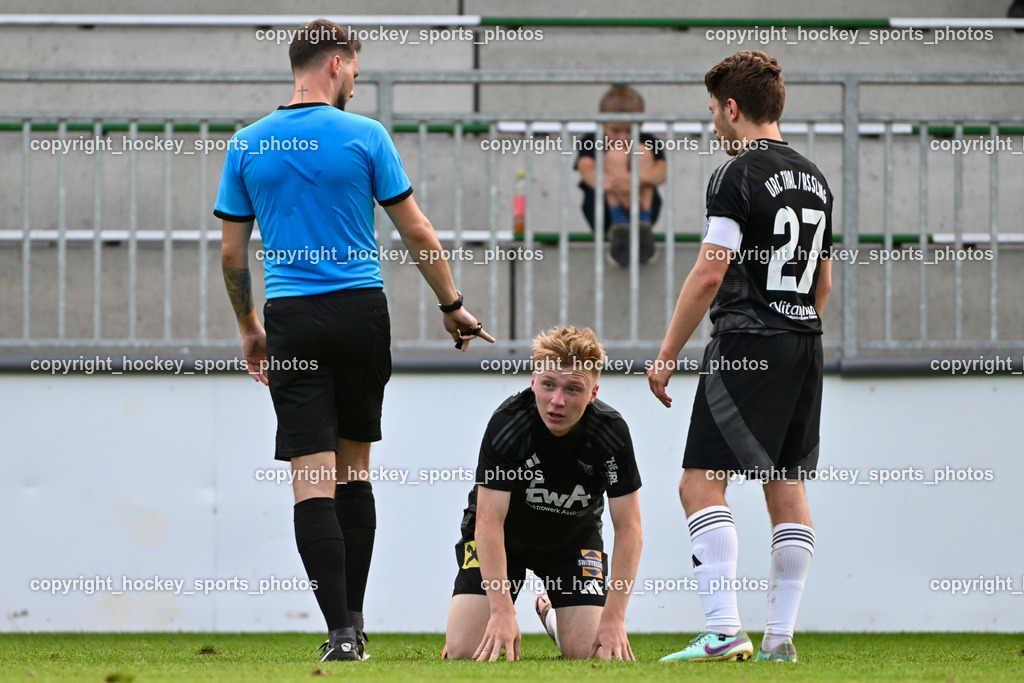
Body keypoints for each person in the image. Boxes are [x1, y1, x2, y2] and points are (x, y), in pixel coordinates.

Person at [214, 18, 493, 662]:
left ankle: (340, 632)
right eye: (355, 74)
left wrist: (249, 328)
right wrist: (452, 306)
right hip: (360, 313)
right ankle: (357, 621)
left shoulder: (247, 144)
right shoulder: (366, 136)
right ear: (337, 64)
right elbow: (418, 233)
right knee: (354, 471)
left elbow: (232, 255)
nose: (354, 86)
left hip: (292, 316)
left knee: (310, 479)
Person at [646, 50, 832, 664]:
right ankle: (781, 638)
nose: (714, 126)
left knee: (700, 482)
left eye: (714, 113)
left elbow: (709, 271)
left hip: (748, 341)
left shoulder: (736, 175)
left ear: (732, 108)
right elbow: (823, 283)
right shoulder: (816, 177)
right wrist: (796, 335)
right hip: (804, 340)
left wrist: (668, 353)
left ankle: (724, 628)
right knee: (786, 484)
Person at [444, 326, 643, 662]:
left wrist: (614, 616)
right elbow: (489, 522)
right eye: (549, 385)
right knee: (466, 651)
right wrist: (502, 610)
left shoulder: (610, 433)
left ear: (593, 392)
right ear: (534, 380)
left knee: (593, 655)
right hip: (503, 540)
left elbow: (630, 528)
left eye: (573, 389)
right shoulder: (508, 425)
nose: (557, 401)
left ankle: (550, 610)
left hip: (572, 542)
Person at [575, 84, 667, 266]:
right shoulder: (591, 140)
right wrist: (618, 186)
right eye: (615, 131)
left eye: (629, 131)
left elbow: (661, 173)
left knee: (642, 151)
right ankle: (619, 226)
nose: (623, 138)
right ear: (602, 124)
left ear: (640, 125)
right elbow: (586, 171)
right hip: (602, 210)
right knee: (616, 154)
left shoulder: (647, 140)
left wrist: (635, 181)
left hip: (643, 205)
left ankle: (642, 226)